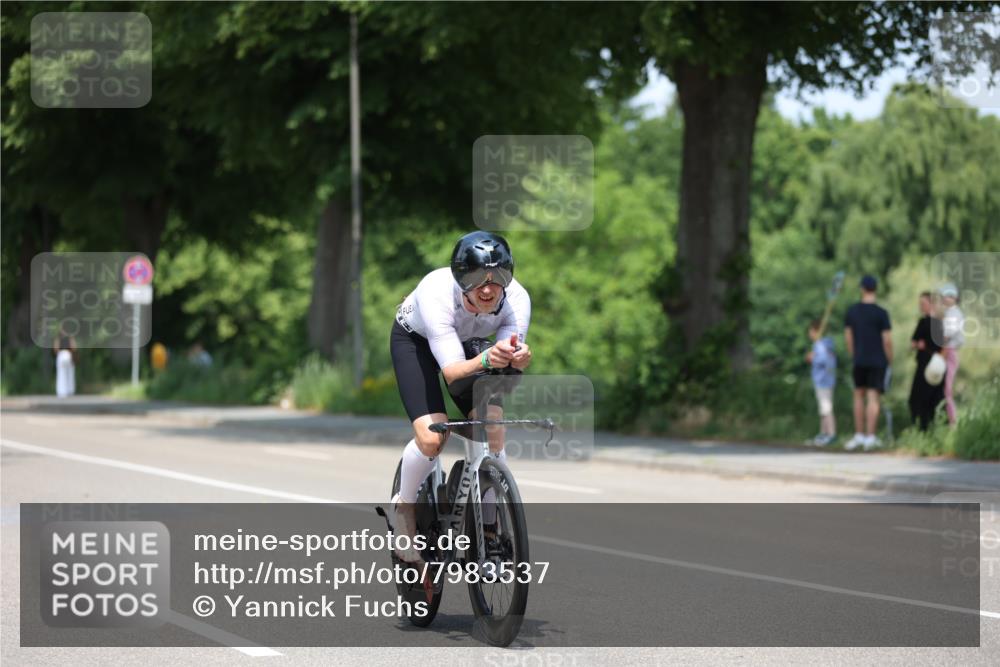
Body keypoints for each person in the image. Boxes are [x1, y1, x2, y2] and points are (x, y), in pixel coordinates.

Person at [388, 231, 532, 564]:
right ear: (459, 277)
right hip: (418, 343)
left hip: (470, 344)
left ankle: (489, 531)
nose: (486, 288)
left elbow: (507, 358)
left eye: (498, 279)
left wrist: (518, 358)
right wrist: (486, 360)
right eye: (476, 278)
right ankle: (404, 506)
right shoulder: (436, 291)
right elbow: (452, 372)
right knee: (432, 436)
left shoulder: (518, 299)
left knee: (493, 428)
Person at [843, 275, 892, 451]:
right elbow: (886, 340)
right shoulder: (882, 313)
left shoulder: (852, 311)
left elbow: (848, 337)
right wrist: (889, 359)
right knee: (873, 398)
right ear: (875, 289)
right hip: (878, 360)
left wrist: (854, 355)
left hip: (860, 359)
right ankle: (870, 437)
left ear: (862, 289)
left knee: (858, 396)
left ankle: (859, 435)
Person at [908, 292, 944, 431]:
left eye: (923, 304)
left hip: (929, 365)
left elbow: (913, 343)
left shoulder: (926, 322)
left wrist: (919, 345)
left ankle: (923, 430)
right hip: (935, 365)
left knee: (919, 399)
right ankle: (931, 430)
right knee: (932, 399)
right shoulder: (939, 323)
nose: (921, 307)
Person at [805, 319, 837, 446]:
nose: (809, 334)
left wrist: (813, 358)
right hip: (828, 380)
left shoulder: (820, 345)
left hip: (822, 380)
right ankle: (823, 433)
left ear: (815, 331)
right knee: (823, 409)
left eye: (810, 331)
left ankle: (831, 434)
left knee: (826, 408)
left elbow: (823, 360)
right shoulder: (826, 344)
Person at [938, 283, 964, 425]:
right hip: (947, 351)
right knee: (944, 390)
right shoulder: (949, 313)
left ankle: (952, 423)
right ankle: (947, 421)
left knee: (947, 390)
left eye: (949, 296)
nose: (945, 298)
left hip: (949, 353)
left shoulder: (954, 314)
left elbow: (946, 337)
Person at [53, 328, 77, 398]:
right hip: (68, 354)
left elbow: (55, 349)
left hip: (61, 355)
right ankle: (70, 390)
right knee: (70, 374)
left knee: (61, 374)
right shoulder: (70, 337)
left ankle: (61, 392)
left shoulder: (58, 338)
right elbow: (74, 347)